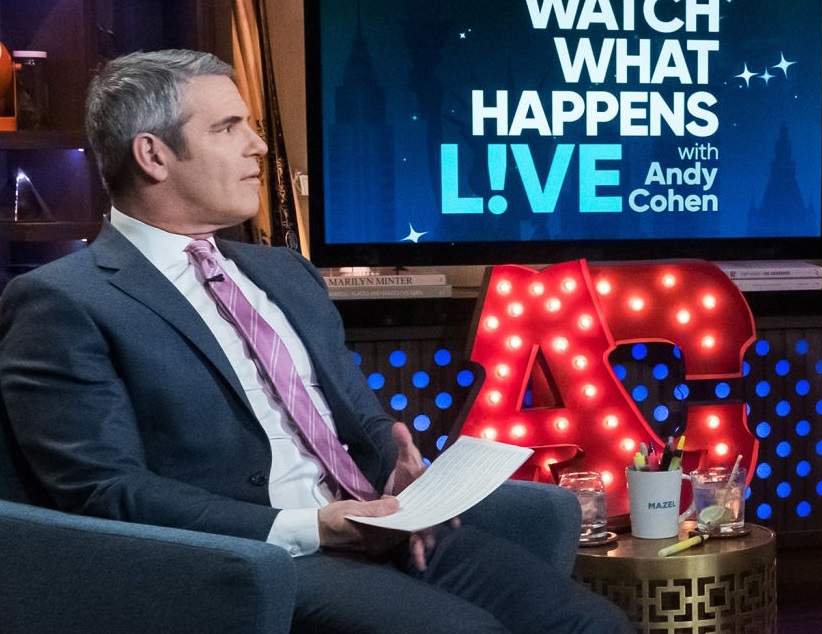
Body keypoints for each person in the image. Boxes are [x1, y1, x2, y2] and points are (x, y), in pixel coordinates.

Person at [0, 49, 633, 633]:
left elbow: (352, 410)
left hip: (384, 528)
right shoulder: (64, 300)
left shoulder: (284, 271)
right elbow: (105, 491)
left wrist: (396, 457)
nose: (259, 146)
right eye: (227, 129)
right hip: (259, 560)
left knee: (594, 626)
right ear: (153, 155)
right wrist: (313, 528)